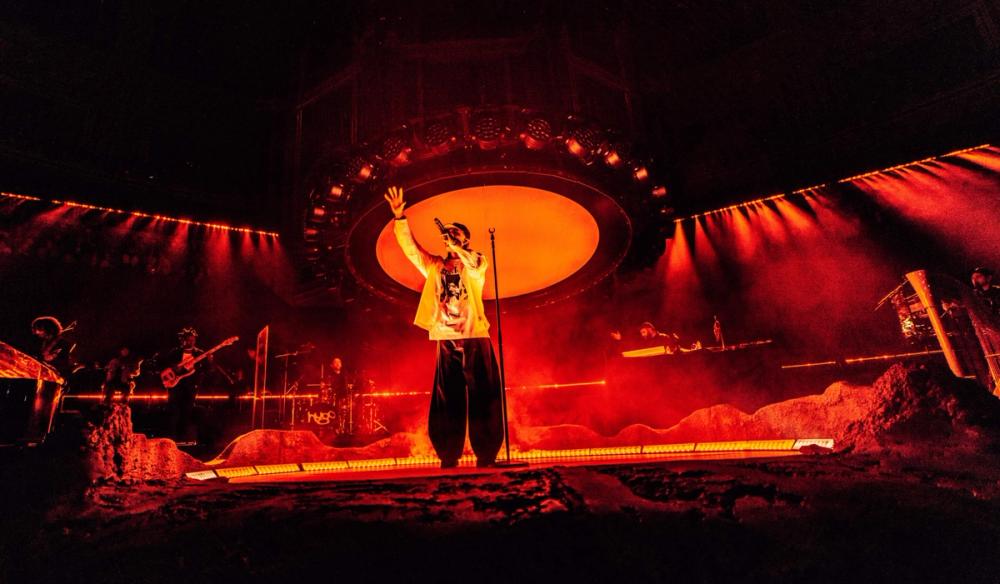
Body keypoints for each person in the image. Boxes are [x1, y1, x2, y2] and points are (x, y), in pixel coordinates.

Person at [384, 185, 503, 468]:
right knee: (446, 396)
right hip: (446, 337)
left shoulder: (475, 263)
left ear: (465, 238)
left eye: (455, 232)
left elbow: (475, 264)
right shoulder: (436, 267)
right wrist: (400, 218)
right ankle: (448, 453)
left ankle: (486, 453)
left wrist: (458, 247)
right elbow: (412, 251)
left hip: (474, 335)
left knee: (483, 394)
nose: (449, 235)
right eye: (447, 232)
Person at [161, 327, 206, 443]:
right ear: (183, 340)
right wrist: (174, 366)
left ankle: (184, 439)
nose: (191, 342)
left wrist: (210, 361)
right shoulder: (174, 352)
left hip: (190, 386)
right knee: (173, 411)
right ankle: (171, 439)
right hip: (175, 386)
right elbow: (164, 365)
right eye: (188, 340)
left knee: (187, 411)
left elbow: (207, 369)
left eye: (193, 340)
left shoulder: (199, 353)